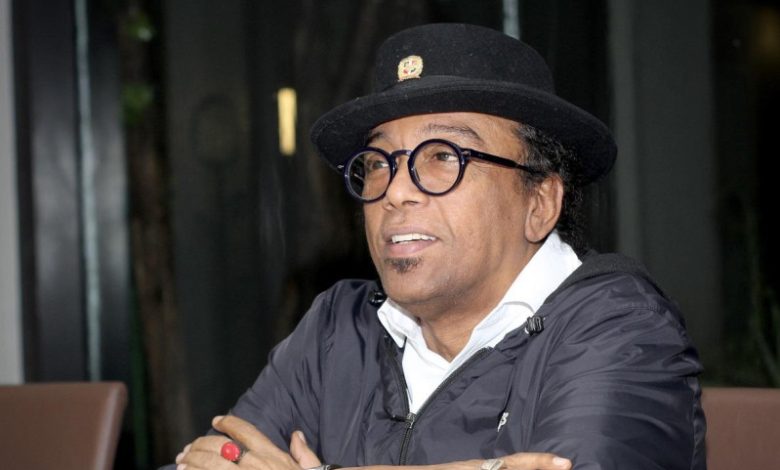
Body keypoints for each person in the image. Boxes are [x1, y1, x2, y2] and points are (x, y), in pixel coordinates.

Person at [169, 23, 705, 470]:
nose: (395, 191)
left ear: (540, 202)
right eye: (378, 162)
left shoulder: (622, 328)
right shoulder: (338, 331)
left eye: (444, 156)